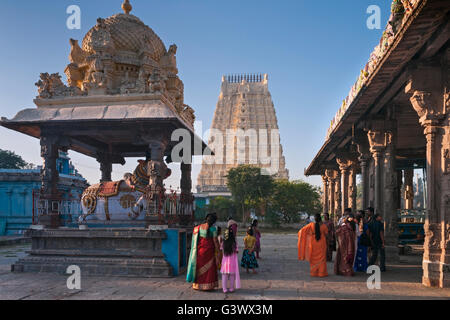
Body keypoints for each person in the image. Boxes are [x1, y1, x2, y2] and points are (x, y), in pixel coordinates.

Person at [186, 213, 220, 291]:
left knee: (198, 268)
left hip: (199, 252)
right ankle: (208, 286)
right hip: (209, 253)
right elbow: (215, 242)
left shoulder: (198, 228)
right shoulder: (213, 229)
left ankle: (197, 285)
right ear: (214, 221)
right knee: (209, 269)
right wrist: (218, 251)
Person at [298, 213, 329, 277]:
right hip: (321, 243)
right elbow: (326, 234)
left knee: (313, 258)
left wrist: (309, 235)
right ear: (320, 219)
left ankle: (314, 273)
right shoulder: (323, 226)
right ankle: (321, 273)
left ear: (314, 219)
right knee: (322, 258)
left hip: (313, 243)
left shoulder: (311, 225)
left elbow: (301, 231)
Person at [220, 225, 241, 293]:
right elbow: (237, 251)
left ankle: (224, 289)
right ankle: (231, 288)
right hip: (232, 262)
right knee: (232, 276)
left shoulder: (223, 243)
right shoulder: (234, 243)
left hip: (225, 263)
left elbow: (222, 250)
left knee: (224, 276)